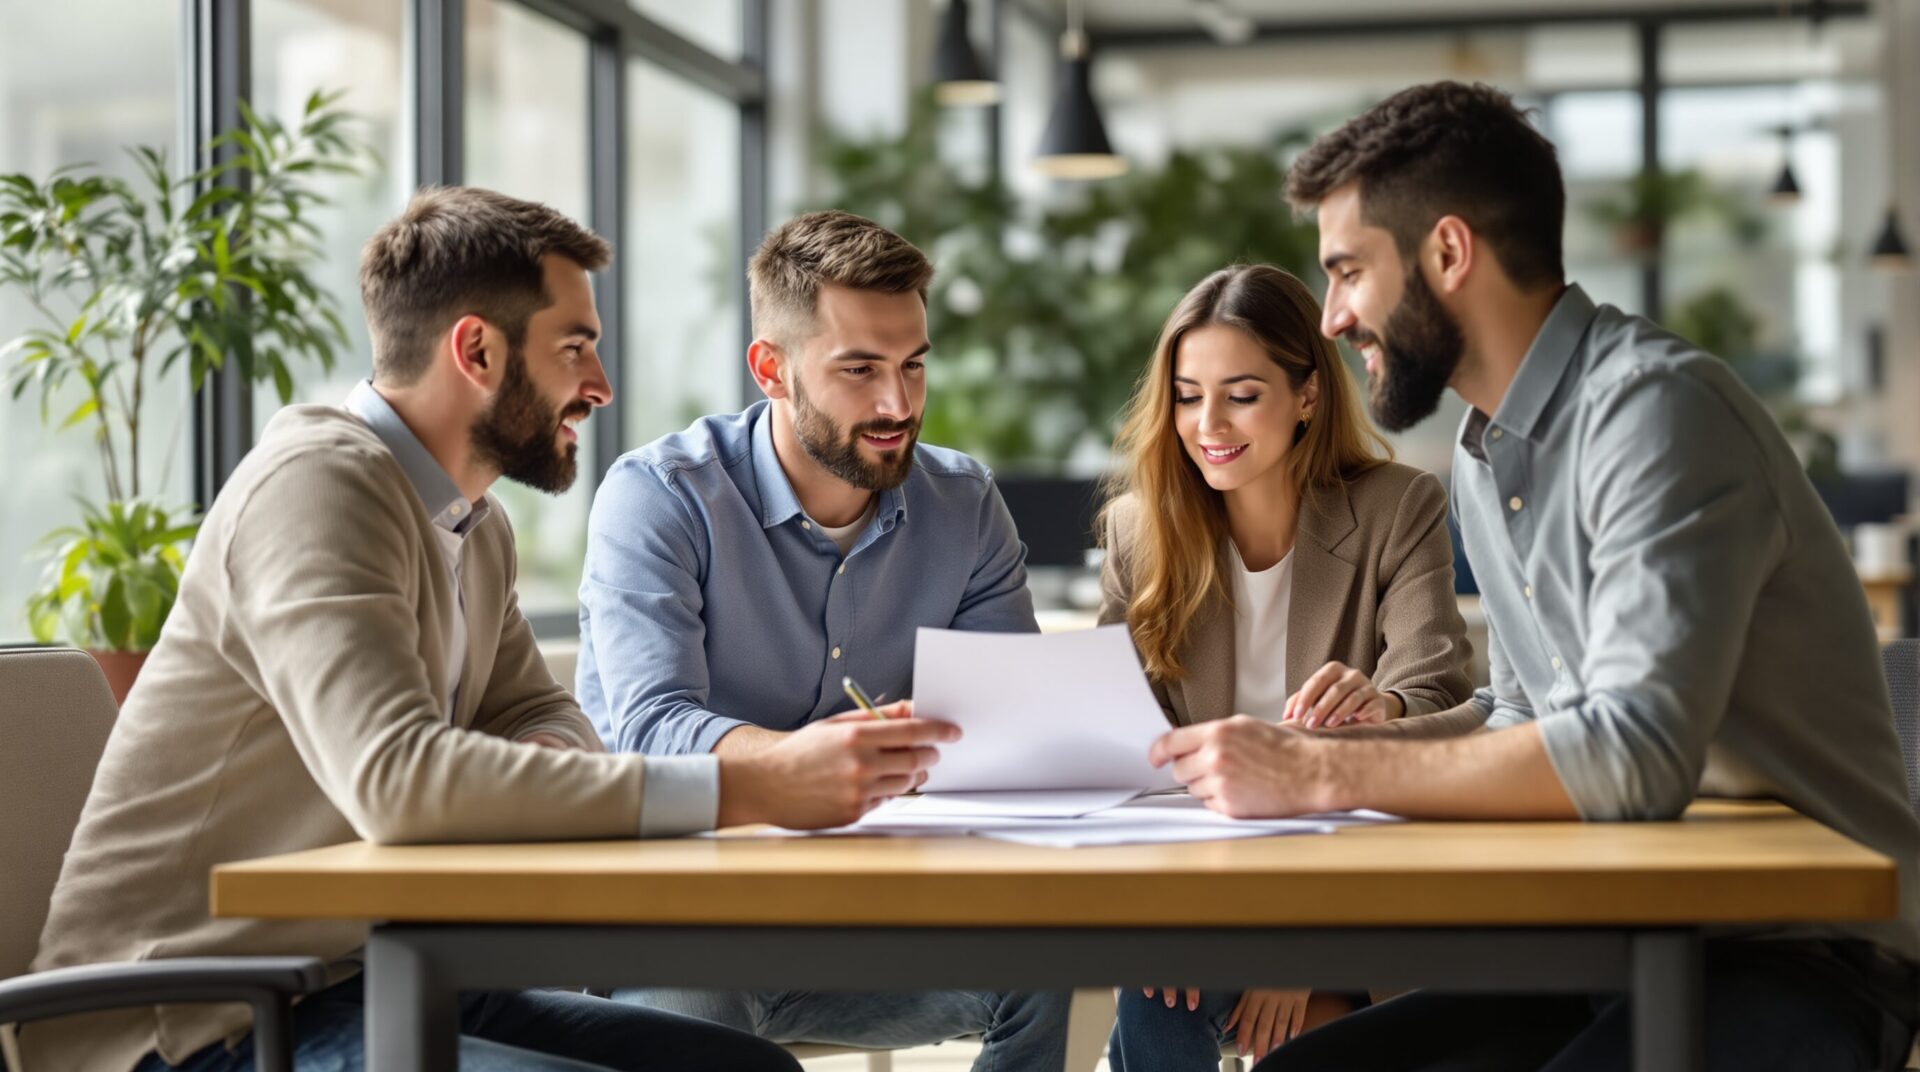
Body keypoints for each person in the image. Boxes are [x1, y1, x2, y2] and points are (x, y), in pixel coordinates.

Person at [24, 187, 958, 1072]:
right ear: (476, 352)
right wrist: (751, 783)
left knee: (733, 1067)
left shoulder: (473, 525)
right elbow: (402, 782)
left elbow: (543, 712)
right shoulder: (316, 486)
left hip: (367, 977)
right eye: (575, 348)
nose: (600, 386)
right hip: (191, 1021)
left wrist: (521, 754)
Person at [1147, 82, 1920, 1071]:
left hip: (1795, 954)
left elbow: (1633, 759)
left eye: (1348, 271)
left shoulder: (1658, 415)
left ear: (1449, 253)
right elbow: (1519, 713)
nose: (1334, 316)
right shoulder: (1482, 448)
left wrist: (1319, 772)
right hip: (1613, 933)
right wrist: (1321, 749)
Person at [575, 209, 1068, 1070]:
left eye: (913, 366)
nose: (898, 404)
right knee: (696, 1020)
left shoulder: (965, 503)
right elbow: (648, 728)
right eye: (859, 370)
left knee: (1050, 967)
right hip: (683, 928)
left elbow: (1010, 721)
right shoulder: (660, 496)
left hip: (866, 924)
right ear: (772, 369)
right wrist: (803, 766)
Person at [1096, 264, 1472, 1068]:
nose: (1208, 423)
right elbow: (1112, 740)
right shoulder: (1137, 532)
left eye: (1241, 393)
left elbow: (1436, 686)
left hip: (1349, 894)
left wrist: (1383, 707)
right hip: (1195, 897)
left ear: (1307, 395)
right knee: (1162, 984)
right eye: (1189, 394)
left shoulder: (1398, 507)